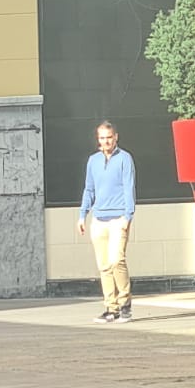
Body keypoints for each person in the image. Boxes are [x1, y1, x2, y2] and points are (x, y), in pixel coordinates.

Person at [78, 120, 136, 323]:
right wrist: (82, 215)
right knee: (104, 266)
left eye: (109, 137)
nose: (106, 141)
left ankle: (125, 304)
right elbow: (89, 189)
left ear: (116, 137)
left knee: (117, 260)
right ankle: (111, 308)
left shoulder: (125, 159)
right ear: (98, 139)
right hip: (99, 219)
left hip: (119, 217)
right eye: (102, 138)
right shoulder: (93, 161)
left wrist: (128, 216)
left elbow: (129, 188)